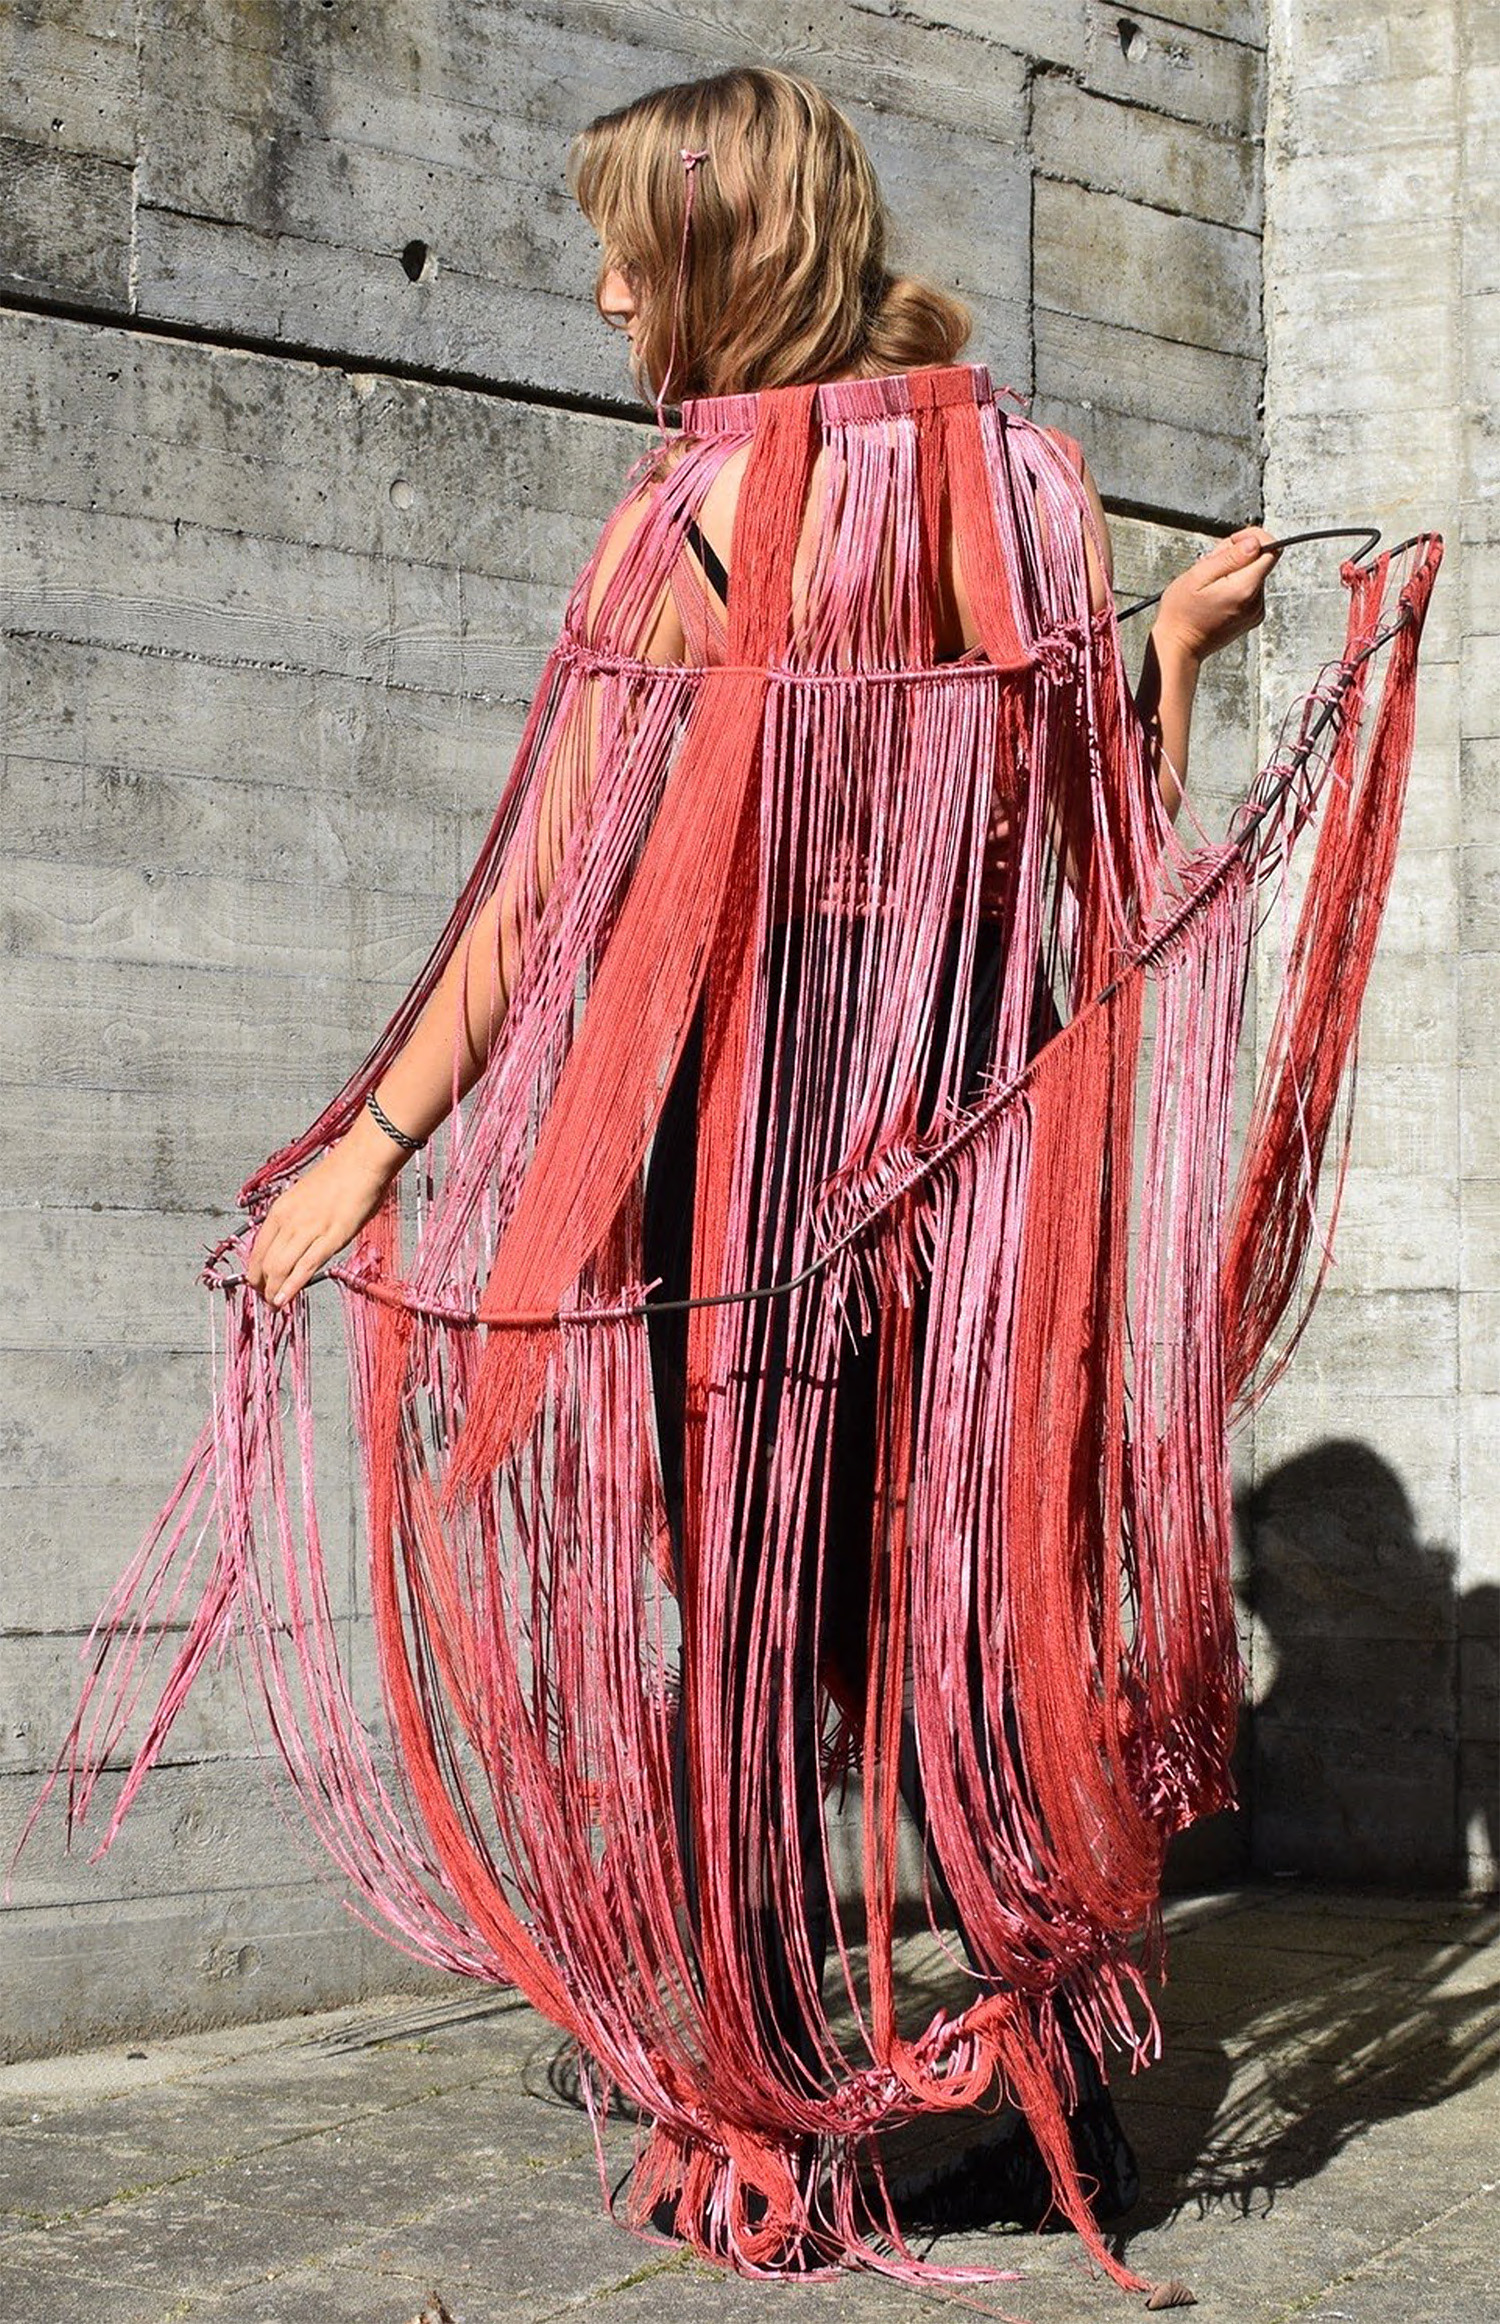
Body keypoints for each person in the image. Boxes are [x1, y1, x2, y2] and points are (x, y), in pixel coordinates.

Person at [66, 62, 1420, 2298]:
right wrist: (1171, 647)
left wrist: (369, 1154)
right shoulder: (1033, 484)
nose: (604, 298)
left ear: (726, 260)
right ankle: (1041, 2088)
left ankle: (817, 2088)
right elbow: (1060, 802)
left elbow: (549, 905)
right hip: (977, 1151)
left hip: (761, 1152)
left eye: (630, 253)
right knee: (956, 1606)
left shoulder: (691, 527)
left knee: (761, 1618)